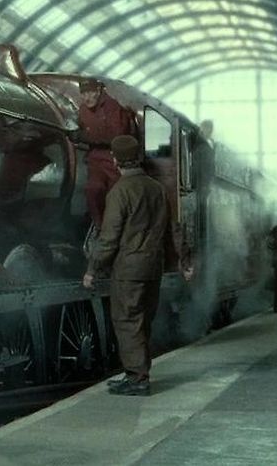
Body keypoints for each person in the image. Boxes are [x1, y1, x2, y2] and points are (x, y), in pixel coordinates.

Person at [83, 135, 193, 396]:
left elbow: (109, 238)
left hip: (129, 270)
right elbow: (174, 230)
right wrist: (185, 261)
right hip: (153, 268)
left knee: (127, 320)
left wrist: (92, 269)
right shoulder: (157, 189)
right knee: (143, 321)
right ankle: (135, 373)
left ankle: (138, 379)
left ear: (115, 159)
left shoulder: (120, 192)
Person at [74, 80, 137, 228]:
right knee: (93, 190)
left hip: (113, 158)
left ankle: (118, 226)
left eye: (90, 92)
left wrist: (84, 137)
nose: (87, 97)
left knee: (115, 194)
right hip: (95, 160)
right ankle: (99, 226)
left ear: (99, 91)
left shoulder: (113, 107)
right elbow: (81, 128)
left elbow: (117, 136)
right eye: (83, 93)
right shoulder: (83, 110)